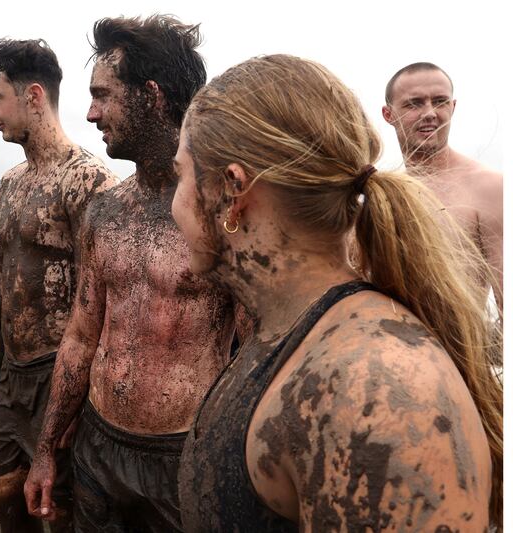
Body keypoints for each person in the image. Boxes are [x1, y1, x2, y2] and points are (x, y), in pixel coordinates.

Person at [171, 54, 501, 531]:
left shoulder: (379, 394)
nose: (174, 206)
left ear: (233, 190)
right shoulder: (293, 330)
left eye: (182, 175)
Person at [24, 16, 235, 532]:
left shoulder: (222, 215)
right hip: (98, 444)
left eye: (103, 95)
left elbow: (251, 354)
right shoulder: (104, 211)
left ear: (152, 96)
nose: (91, 112)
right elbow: (79, 336)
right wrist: (47, 449)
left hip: (182, 454)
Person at [0, 38, 117, 532]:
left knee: (57, 504)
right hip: (12, 372)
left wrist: (81, 390)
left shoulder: (86, 180)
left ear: (35, 95)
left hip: (58, 371)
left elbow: (100, 294)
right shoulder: (10, 181)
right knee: (4, 493)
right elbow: (4, 271)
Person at [382, 62, 503, 311]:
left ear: (453, 107)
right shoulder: (380, 196)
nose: (430, 113)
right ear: (388, 115)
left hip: (462, 347)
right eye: (414, 103)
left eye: (440, 101)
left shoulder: (489, 187)